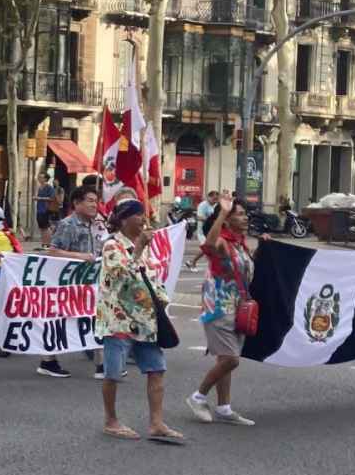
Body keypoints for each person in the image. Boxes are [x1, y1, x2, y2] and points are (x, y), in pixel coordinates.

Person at [95, 199, 183, 443]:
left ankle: (156, 423)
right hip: (119, 319)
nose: (144, 219)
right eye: (138, 215)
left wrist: (162, 299)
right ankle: (110, 420)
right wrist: (139, 250)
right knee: (113, 373)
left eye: (144, 214)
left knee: (156, 369)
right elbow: (122, 277)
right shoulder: (112, 246)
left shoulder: (143, 245)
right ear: (124, 219)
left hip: (147, 320)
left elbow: (151, 278)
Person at [189, 196, 257, 426]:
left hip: (237, 308)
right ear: (227, 221)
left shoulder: (240, 243)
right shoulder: (222, 242)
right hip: (218, 309)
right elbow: (208, 246)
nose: (245, 216)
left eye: (244, 213)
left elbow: (244, 270)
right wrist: (222, 212)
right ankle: (198, 397)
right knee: (230, 359)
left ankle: (224, 408)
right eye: (238, 213)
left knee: (224, 360)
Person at [43, 185, 103, 379]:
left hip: (90, 282)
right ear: (77, 203)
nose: (95, 205)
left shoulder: (97, 224)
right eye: (90, 200)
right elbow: (53, 251)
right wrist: (80, 256)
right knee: (61, 320)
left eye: (96, 201)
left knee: (97, 317)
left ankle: (103, 364)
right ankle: (48, 361)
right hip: (70, 283)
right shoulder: (68, 224)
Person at [35, 172, 59, 248]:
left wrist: (39, 198)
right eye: (39, 177)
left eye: (41, 177)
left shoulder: (49, 187)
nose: (39, 179)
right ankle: (44, 242)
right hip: (39, 209)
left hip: (45, 209)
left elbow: (51, 198)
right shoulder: (39, 187)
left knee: (46, 227)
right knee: (41, 227)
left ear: (45, 179)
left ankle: (49, 243)